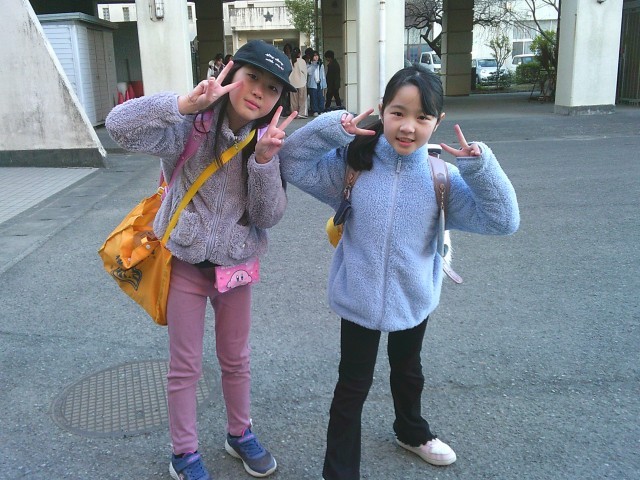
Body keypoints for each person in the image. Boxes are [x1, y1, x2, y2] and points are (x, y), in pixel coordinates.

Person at [278, 65, 520, 479]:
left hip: (413, 297)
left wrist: (481, 168)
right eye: (398, 113)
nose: (408, 127)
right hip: (358, 297)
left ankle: (411, 431)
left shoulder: (442, 178)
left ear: (437, 122)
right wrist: (334, 129)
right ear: (382, 110)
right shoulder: (353, 165)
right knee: (351, 387)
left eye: (422, 117)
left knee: (408, 371)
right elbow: (292, 161)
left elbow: (504, 220)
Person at [105, 40, 298, 480]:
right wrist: (180, 104)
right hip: (186, 265)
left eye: (271, 88)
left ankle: (240, 433)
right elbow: (119, 127)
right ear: (231, 74)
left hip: (236, 267)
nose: (258, 92)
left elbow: (268, 216)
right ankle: (184, 453)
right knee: (185, 366)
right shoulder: (189, 126)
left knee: (236, 358)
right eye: (251, 77)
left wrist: (264, 162)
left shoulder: (267, 141)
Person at [289, 47, 308, 119]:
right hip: (301, 82)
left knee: (293, 100)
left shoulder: (290, 61)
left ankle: (294, 113)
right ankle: (302, 113)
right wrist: (305, 79)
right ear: (299, 54)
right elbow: (305, 72)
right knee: (302, 99)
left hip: (292, 82)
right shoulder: (302, 61)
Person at [307, 51, 327, 117]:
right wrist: (314, 65)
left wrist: (324, 84)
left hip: (319, 83)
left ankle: (321, 110)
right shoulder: (309, 64)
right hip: (312, 84)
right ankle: (315, 110)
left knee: (320, 97)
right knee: (313, 98)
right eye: (314, 56)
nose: (316, 57)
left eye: (317, 55)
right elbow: (309, 72)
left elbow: (323, 75)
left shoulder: (321, 64)